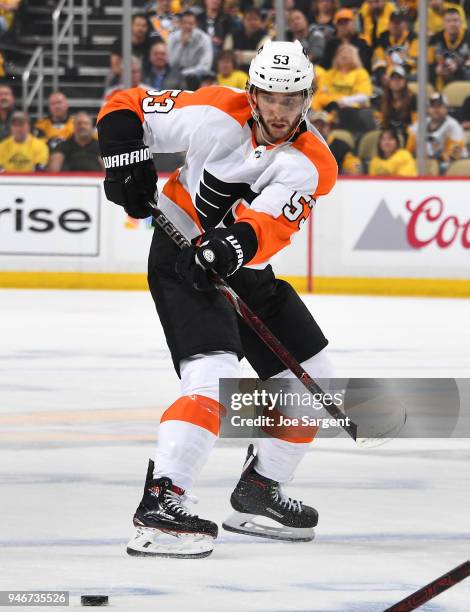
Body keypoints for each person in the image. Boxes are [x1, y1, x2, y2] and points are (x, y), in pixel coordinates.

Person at [97, 39, 338, 559]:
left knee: (316, 379)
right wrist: (125, 162)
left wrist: (235, 243)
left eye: (291, 98)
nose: (279, 110)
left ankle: (259, 491)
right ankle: (162, 502)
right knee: (212, 377)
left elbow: (267, 224)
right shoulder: (213, 107)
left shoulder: (313, 163)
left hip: (247, 272)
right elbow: (125, 105)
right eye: (270, 97)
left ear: (307, 98)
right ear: (251, 93)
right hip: (182, 258)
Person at [407, 93, 468, 170]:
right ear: (428, 109)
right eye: (433, 106)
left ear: (446, 108)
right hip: (427, 163)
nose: (436, 109)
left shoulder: (453, 126)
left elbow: (454, 155)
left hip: (453, 164)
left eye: (440, 106)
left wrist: (435, 159)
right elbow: (408, 149)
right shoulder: (420, 124)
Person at [312, 43, 373, 118]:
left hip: (352, 111)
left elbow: (364, 97)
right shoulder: (329, 74)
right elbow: (321, 94)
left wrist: (343, 101)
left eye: (348, 53)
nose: (344, 55)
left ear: (355, 57)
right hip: (328, 110)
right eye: (341, 53)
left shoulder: (361, 73)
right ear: (336, 57)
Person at [110, 13, 160, 86]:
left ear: (147, 28)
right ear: (131, 26)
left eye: (143, 26)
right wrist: (131, 74)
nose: (140, 28)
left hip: (145, 78)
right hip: (123, 76)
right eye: (137, 25)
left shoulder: (151, 43)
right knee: (111, 77)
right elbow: (115, 67)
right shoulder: (120, 42)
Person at [167, 10, 213, 89]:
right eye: (185, 23)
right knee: (171, 82)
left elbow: (206, 66)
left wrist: (186, 73)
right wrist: (181, 45)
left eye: (191, 24)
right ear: (180, 24)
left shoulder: (204, 38)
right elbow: (171, 63)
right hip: (176, 73)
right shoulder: (173, 37)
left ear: (196, 24)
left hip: (197, 74)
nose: (188, 26)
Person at [310, 110, 362, 174]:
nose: (318, 129)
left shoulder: (341, 146)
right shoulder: (306, 144)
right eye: (315, 125)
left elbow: (354, 166)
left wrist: (350, 168)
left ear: (329, 127)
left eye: (323, 125)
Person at [430, 8, 470, 90]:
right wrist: (436, 68)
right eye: (448, 21)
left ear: (461, 23)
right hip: (440, 75)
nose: (452, 24)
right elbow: (428, 60)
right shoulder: (435, 39)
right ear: (443, 23)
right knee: (426, 72)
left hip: (462, 75)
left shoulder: (468, 37)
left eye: (455, 20)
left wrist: (458, 66)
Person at [371, 10, 418, 81]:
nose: (395, 25)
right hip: (386, 76)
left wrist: (395, 76)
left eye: (398, 23)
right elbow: (378, 60)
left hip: (407, 76)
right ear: (389, 24)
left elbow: (412, 62)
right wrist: (382, 74)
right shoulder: (383, 38)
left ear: (405, 24)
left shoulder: (413, 38)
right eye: (392, 22)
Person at [223, 8, 269, 72]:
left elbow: (262, 56)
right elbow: (226, 55)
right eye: (249, 19)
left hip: (257, 72)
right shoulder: (232, 35)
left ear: (260, 22)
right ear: (243, 21)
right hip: (234, 73)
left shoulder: (265, 37)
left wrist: (241, 56)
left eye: (255, 19)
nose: (252, 22)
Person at [379, 64, 417, 138]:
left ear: (404, 81)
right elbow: (382, 123)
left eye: (399, 78)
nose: (396, 81)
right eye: (393, 78)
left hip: (407, 136)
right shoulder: (384, 100)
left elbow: (416, 125)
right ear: (388, 81)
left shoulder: (413, 99)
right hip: (389, 137)